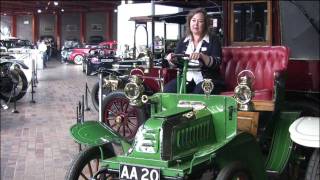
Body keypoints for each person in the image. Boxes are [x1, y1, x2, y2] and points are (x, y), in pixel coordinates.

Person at [164, 8, 224, 94]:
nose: (196, 24)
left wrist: (202, 56)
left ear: (205, 24)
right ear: (189, 22)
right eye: (193, 20)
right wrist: (172, 59)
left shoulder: (213, 40)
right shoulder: (183, 41)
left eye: (200, 21)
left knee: (199, 91)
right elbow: (177, 63)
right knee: (168, 90)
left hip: (208, 80)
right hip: (186, 79)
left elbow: (217, 62)